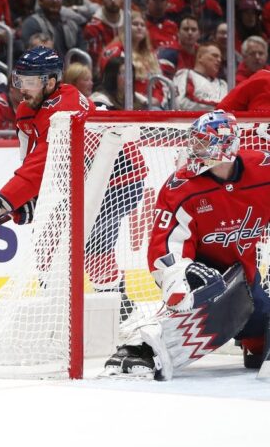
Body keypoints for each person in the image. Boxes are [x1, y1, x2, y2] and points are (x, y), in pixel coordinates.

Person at [104, 110, 270, 380]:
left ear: (226, 144)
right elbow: (165, 247)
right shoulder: (181, 187)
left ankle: (252, 342)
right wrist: (180, 274)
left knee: (261, 330)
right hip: (202, 277)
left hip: (245, 281)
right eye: (194, 141)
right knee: (194, 292)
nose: (194, 149)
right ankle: (141, 347)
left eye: (202, 143)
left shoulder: (264, 171)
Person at [0, 47, 93, 250]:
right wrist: (30, 199)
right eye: (20, 81)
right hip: (83, 182)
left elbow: (41, 167)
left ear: (50, 83)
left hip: (118, 178)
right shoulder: (28, 108)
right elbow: (30, 163)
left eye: (30, 82)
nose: (22, 89)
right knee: (51, 249)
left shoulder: (64, 110)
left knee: (92, 253)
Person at [101, 10, 166, 108]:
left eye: (142, 25)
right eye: (135, 24)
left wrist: (157, 98)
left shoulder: (150, 54)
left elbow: (158, 84)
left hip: (150, 103)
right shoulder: (115, 50)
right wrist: (143, 100)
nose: (139, 27)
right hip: (124, 102)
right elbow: (111, 82)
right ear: (125, 27)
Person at [20, 0, 86, 59]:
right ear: (40, 0)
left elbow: (82, 53)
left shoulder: (72, 25)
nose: (55, 0)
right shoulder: (32, 23)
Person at [173, 42, 226, 110]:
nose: (219, 60)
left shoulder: (223, 84)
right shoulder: (185, 74)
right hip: (195, 117)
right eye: (214, 56)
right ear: (200, 57)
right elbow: (181, 102)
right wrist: (216, 107)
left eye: (220, 57)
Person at [84, 0, 124, 69]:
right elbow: (95, 61)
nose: (113, 0)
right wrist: (115, 44)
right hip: (103, 71)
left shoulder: (129, 22)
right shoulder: (93, 26)